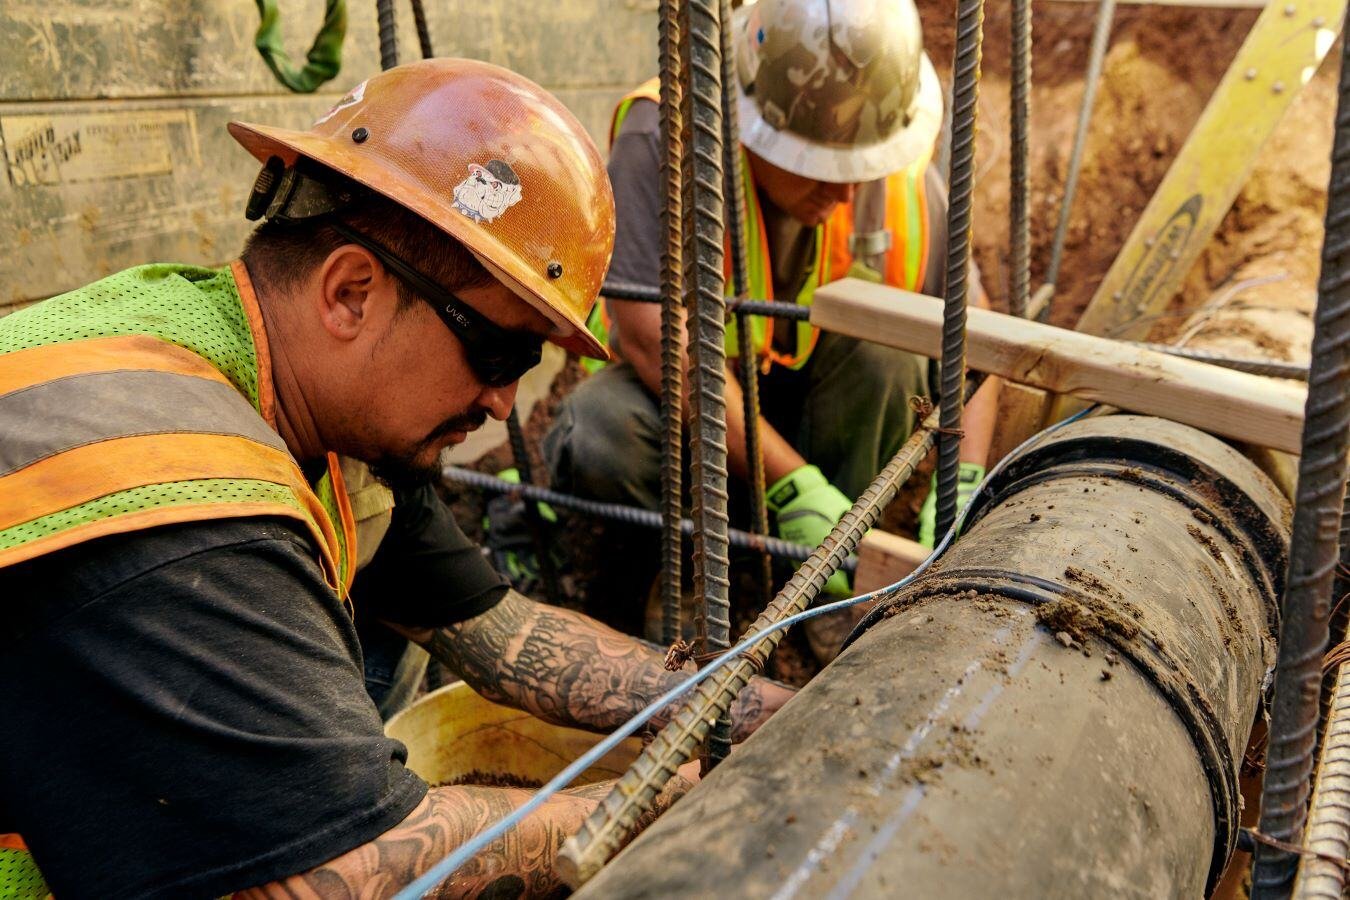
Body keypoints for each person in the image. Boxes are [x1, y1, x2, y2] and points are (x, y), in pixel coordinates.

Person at [0, 59, 791, 898]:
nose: (503, 401)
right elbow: (345, 873)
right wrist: (679, 790)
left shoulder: (266, 367)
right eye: (499, 352)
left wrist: (746, 707)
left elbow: (505, 637)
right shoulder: (180, 502)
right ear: (349, 291)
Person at [544, 0, 999, 656]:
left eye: (856, 167)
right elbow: (650, 338)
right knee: (602, 431)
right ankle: (671, 582)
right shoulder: (669, 139)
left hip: (822, 420)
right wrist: (791, 481)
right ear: (753, 123)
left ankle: (833, 583)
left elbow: (977, 335)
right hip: (692, 423)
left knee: (890, 358)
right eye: (818, 166)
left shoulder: (886, 154)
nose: (844, 193)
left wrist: (967, 473)